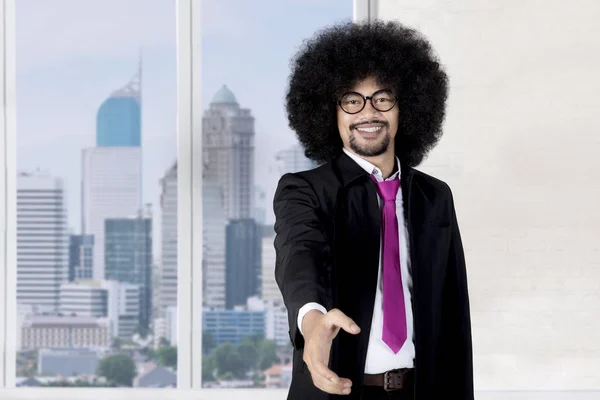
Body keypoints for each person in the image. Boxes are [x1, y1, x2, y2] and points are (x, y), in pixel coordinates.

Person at [273, 19, 474, 400]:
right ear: (329, 111)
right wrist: (313, 321)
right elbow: (299, 259)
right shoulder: (305, 190)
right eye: (352, 100)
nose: (368, 112)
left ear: (407, 107)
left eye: (382, 98)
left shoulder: (436, 196)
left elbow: (453, 317)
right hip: (342, 392)